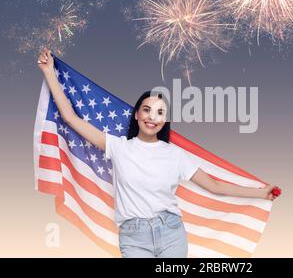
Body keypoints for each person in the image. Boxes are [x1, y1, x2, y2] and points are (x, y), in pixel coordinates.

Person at [37, 47, 277, 258]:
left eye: (160, 112)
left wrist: (259, 193)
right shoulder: (119, 146)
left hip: (171, 233)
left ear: (165, 120)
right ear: (137, 114)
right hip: (133, 237)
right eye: (147, 110)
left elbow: (214, 186)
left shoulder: (175, 155)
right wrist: (49, 73)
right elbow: (70, 118)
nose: (153, 117)